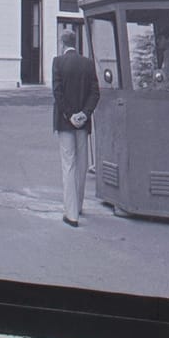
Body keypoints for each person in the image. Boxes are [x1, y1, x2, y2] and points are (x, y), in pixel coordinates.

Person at [51, 37, 99, 227]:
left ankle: (71, 214)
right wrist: (84, 114)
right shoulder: (88, 64)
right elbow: (95, 92)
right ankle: (78, 205)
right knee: (81, 164)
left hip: (65, 122)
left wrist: (69, 115)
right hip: (83, 123)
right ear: (75, 43)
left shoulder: (58, 62)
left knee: (68, 165)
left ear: (62, 44)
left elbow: (57, 92)